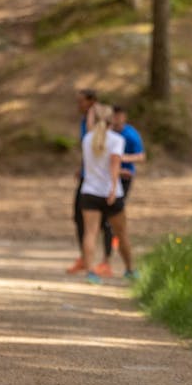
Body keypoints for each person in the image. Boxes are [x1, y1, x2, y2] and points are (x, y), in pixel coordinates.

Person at [79, 104, 135, 283]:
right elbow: (114, 165)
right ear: (112, 120)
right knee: (121, 232)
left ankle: (90, 272)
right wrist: (112, 188)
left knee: (90, 233)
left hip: (89, 191)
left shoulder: (87, 139)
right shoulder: (116, 140)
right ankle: (130, 269)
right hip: (111, 193)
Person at [66, 89, 115, 276]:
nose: (79, 105)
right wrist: (83, 167)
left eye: (81, 102)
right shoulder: (84, 122)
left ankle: (105, 261)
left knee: (105, 222)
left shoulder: (98, 123)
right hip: (88, 177)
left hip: (102, 181)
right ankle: (86, 259)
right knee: (80, 218)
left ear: (92, 102)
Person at [111, 105, 146, 279]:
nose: (116, 119)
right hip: (107, 178)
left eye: (119, 115)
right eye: (114, 116)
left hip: (124, 178)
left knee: (116, 216)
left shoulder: (131, 134)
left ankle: (125, 262)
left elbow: (141, 156)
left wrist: (122, 159)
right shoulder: (106, 133)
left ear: (124, 116)